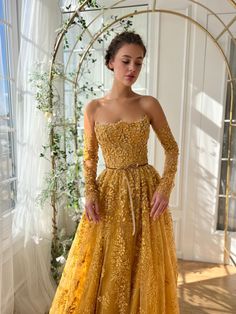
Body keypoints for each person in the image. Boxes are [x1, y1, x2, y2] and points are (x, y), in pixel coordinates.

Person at [49, 31, 180, 313]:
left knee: (143, 261)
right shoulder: (94, 108)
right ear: (110, 62)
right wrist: (90, 193)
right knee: (111, 260)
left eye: (138, 62)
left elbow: (172, 148)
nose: (132, 68)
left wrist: (165, 187)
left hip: (146, 191)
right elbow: (90, 157)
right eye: (126, 61)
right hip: (109, 191)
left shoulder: (148, 104)